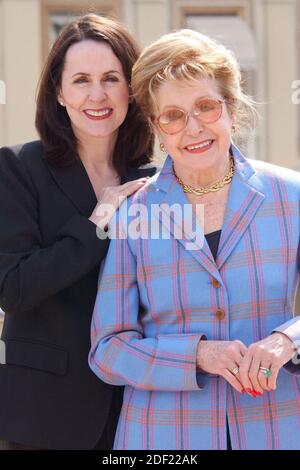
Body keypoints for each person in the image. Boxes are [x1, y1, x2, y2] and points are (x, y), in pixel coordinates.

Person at [88, 29, 300, 450]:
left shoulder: (292, 196)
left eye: (206, 106)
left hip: (277, 429)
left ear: (231, 110)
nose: (193, 128)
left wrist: (287, 341)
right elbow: (108, 350)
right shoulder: (135, 214)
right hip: (161, 439)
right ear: (156, 126)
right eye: (173, 115)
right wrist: (200, 356)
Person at [0, 14, 156, 450]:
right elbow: (12, 288)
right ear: (58, 91)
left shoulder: (154, 181)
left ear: (131, 89)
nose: (97, 94)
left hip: (135, 408)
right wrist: (97, 222)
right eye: (81, 79)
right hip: (41, 411)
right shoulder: (16, 169)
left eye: (111, 78)